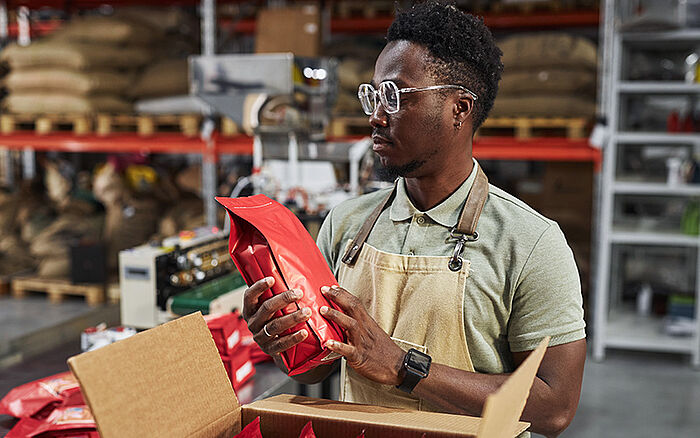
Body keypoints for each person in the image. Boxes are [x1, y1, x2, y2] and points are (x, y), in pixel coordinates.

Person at [240, 2, 586, 437]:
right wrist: (284, 342)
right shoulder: (347, 225)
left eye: (394, 96)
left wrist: (403, 366)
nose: (375, 117)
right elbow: (316, 371)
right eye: (372, 96)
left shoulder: (530, 242)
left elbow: (554, 408)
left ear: (460, 108)